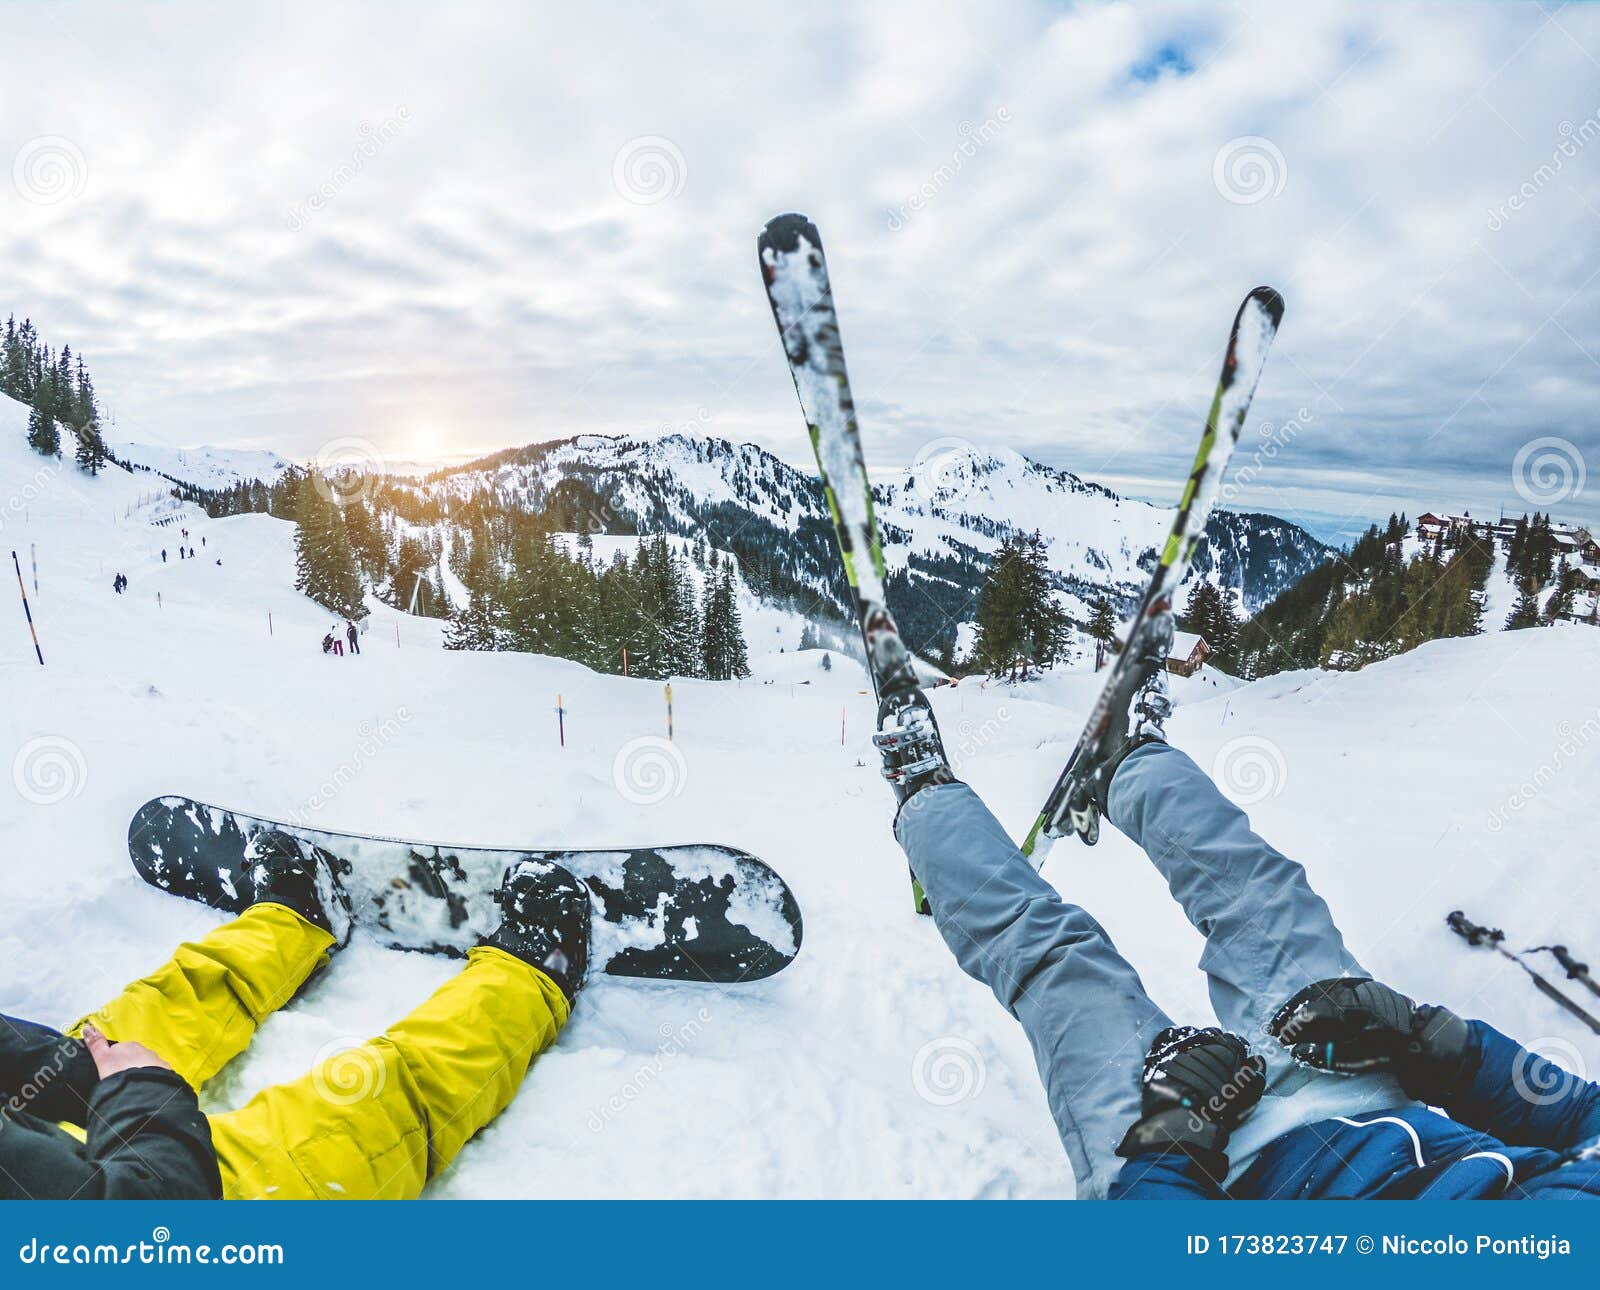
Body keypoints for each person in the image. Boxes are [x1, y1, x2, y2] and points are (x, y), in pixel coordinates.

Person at [874, 613, 1600, 1200]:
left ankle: (924, 796)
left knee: (1061, 966)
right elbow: (1586, 1122)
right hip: (1369, 1097)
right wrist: (1436, 1046)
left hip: (1216, 1186)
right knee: (1259, 888)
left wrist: (1171, 1139)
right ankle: (1128, 760)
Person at [0, 833, 590, 1199]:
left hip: (33, 1137)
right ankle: (526, 981)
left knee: (134, 1024)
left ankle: (294, 923)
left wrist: (68, 1068)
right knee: (355, 1116)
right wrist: (136, 1093)